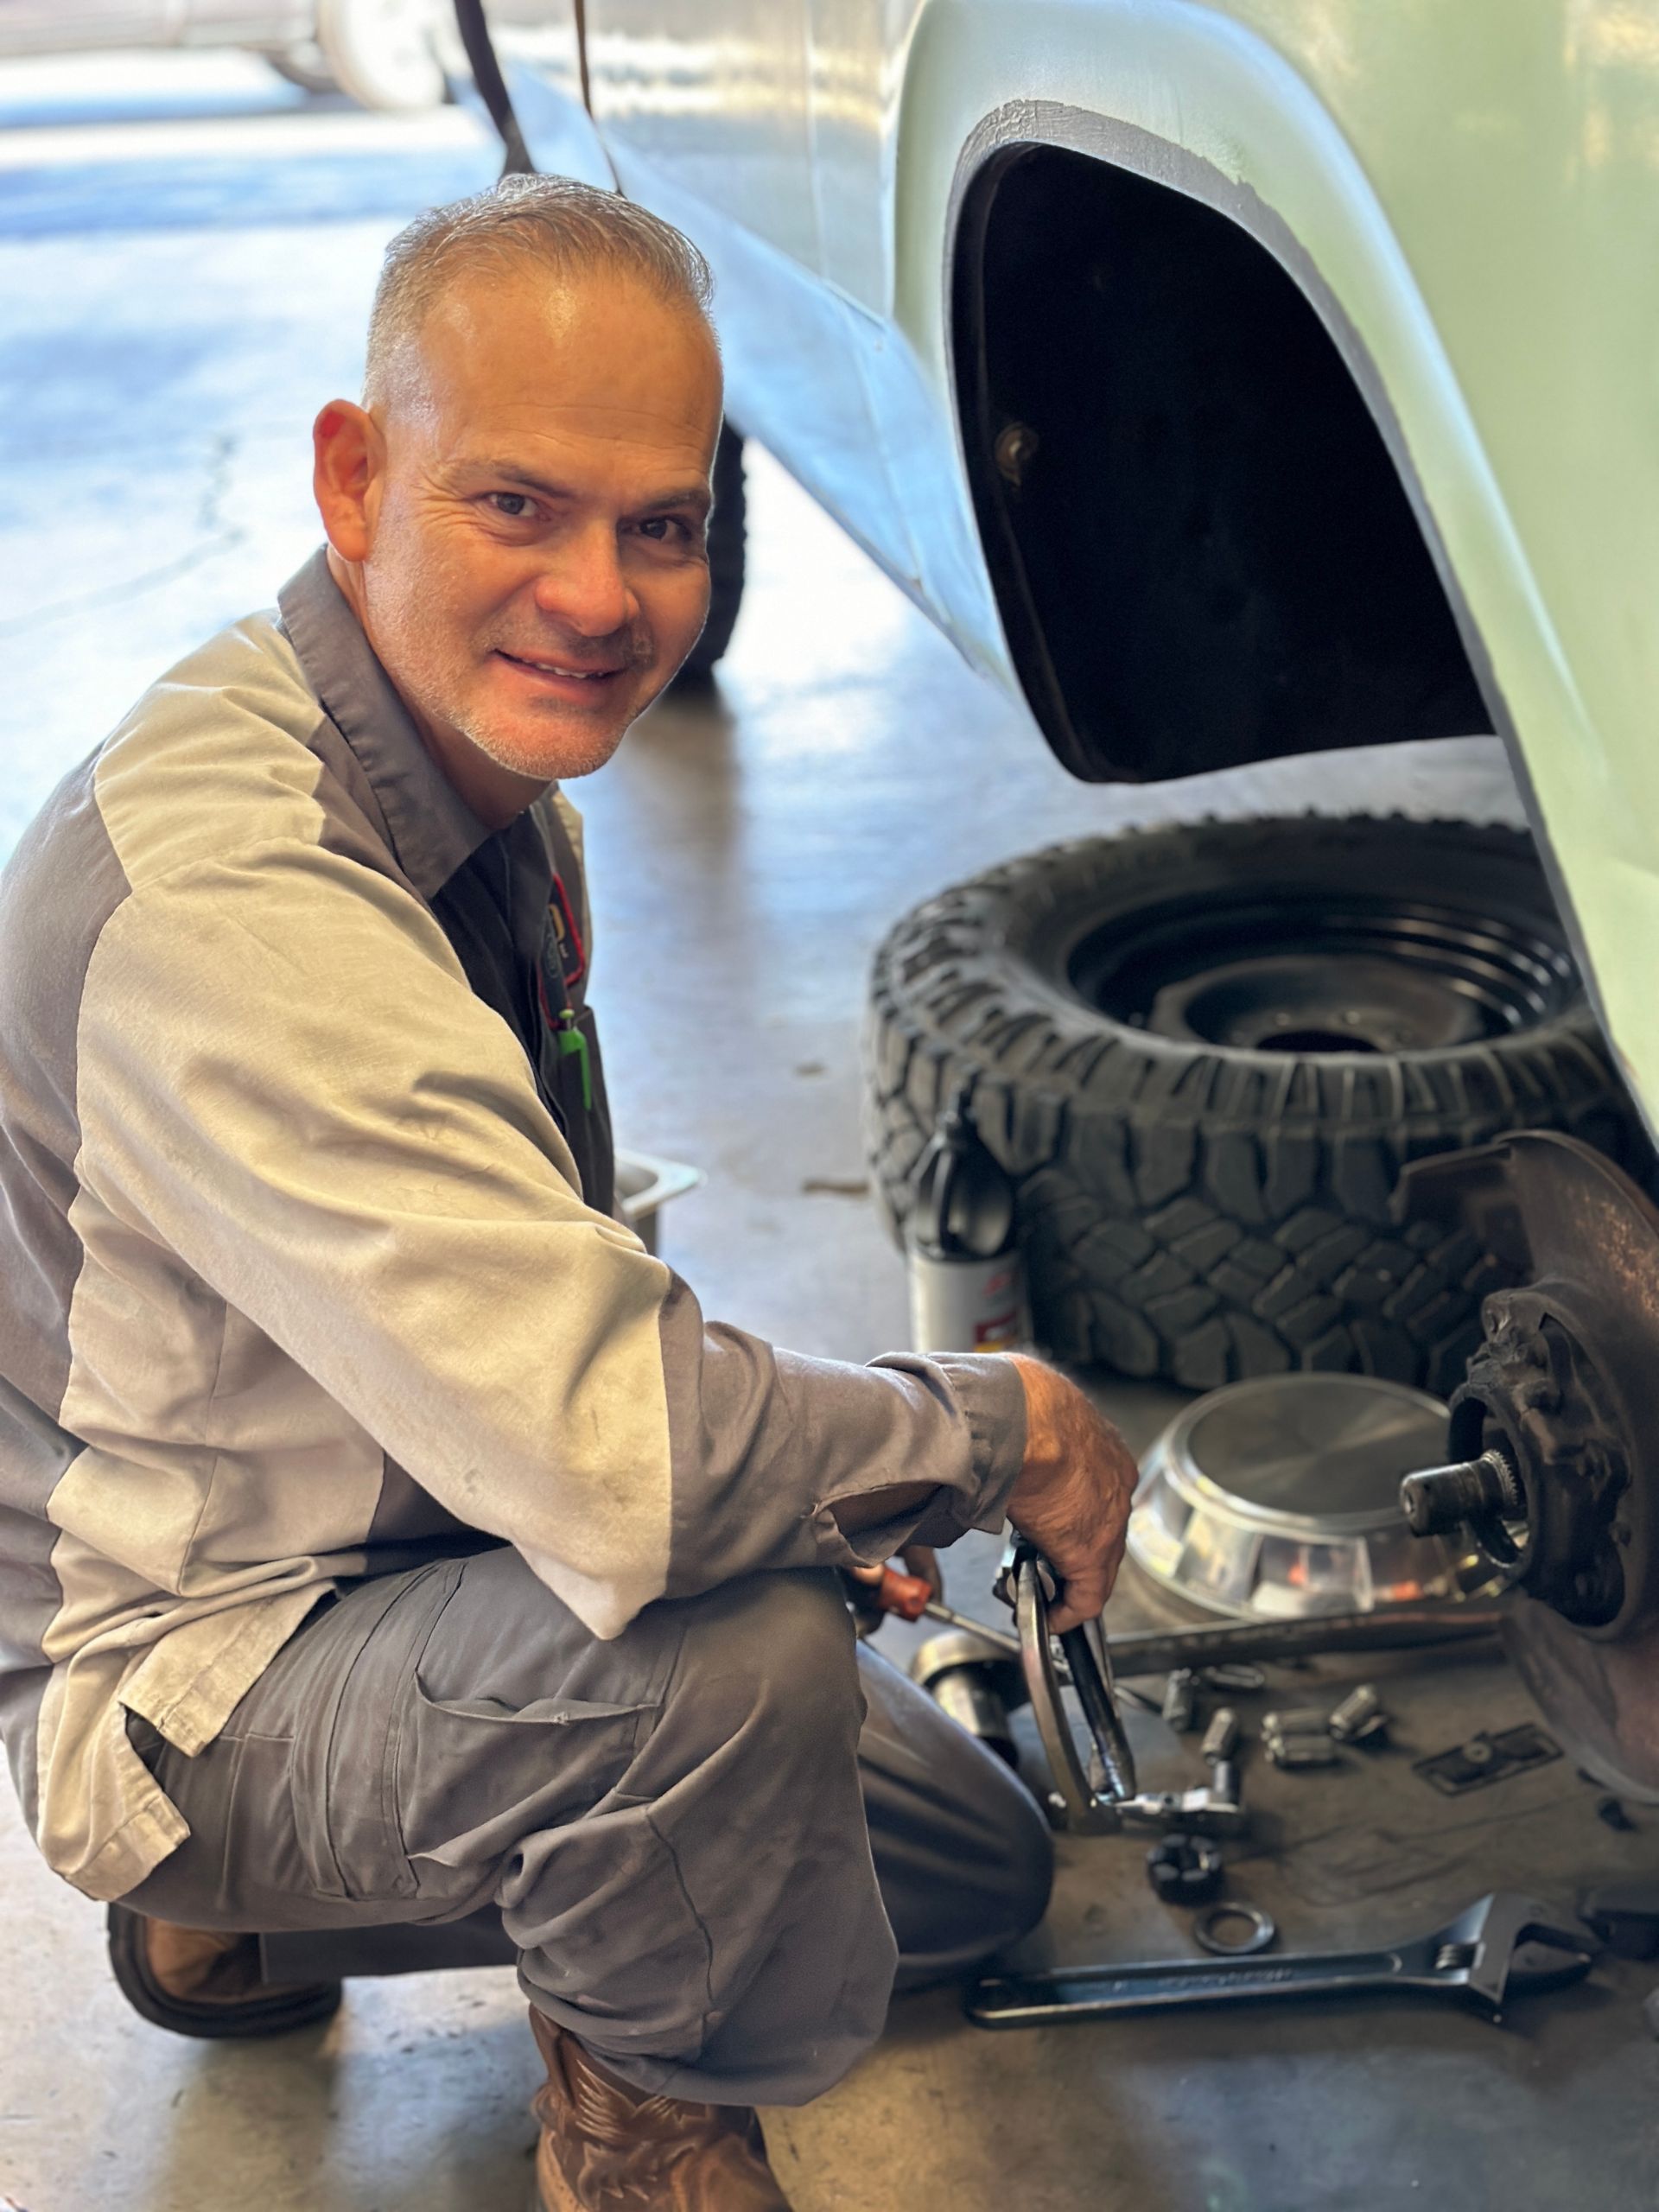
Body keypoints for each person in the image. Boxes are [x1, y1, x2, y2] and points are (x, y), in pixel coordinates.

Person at [0, 175, 1139, 2209]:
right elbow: (629, 1458)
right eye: (516, 505)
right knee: (725, 1665)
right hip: (193, 1643)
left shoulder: (467, 776)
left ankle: (287, 1916)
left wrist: (794, 1488)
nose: (603, 597)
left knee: (965, 1880)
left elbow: (567, 1298)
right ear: (358, 479)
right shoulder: (245, 901)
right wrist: (986, 1432)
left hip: (392, 1523)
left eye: (663, 524)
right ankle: (630, 2130)